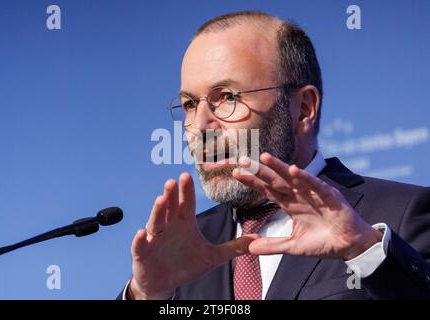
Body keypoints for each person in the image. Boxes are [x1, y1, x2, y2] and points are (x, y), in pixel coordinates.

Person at [120, 11, 430, 300]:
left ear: (303, 109)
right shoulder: (183, 247)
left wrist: (366, 251)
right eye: (189, 104)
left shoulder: (400, 215)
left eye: (227, 97)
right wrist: (147, 295)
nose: (200, 127)